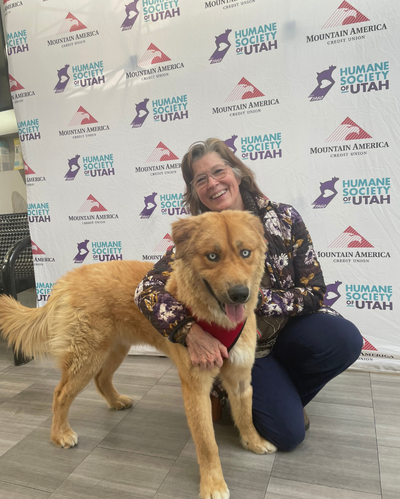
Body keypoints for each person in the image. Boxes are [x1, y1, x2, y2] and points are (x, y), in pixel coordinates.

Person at [134, 138, 363, 451]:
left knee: (343, 338)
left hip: (284, 330)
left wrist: (254, 301)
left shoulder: (282, 219)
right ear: (195, 191)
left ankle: (284, 395)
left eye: (218, 171)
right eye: (200, 179)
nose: (212, 183)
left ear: (237, 173)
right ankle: (245, 396)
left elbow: (315, 292)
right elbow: (145, 290)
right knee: (287, 435)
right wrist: (186, 330)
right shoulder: (196, 233)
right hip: (246, 352)